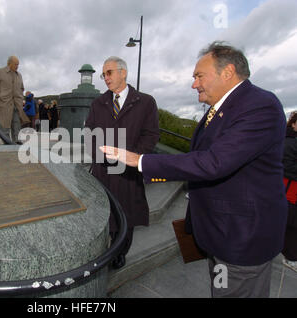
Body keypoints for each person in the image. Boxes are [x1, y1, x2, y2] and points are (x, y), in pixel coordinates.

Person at [100, 42, 288, 297]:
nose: (194, 84)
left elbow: (213, 162)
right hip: (219, 233)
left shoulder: (260, 106)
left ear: (228, 72)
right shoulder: (219, 109)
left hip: (241, 238)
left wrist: (140, 160)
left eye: (199, 76)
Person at [85, 56, 160, 269]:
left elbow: (151, 134)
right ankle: (105, 249)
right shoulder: (98, 103)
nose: (105, 78)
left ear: (123, 72)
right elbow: (89, 132)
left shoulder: (145, 102)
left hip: (129, 172)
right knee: (105, 213)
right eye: (103, 74)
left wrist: (132, 157)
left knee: (127, 214)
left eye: (109, 73)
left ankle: (120, 252)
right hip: (102, 170)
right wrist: (100, 154)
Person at [0, 56, 30, 143]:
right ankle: (6, 143)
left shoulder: (19, 75)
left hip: (17, 104)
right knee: (5, 125)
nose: (17, 66)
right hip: (5, 103)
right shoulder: (0, 71)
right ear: (9, 63)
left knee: (17, 124)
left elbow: (22, 88)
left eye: (18, 64)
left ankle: (17, 142)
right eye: (15, 64)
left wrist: (21, 97)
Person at [282, 112, 297, 272]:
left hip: (290, 192)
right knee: (291, 226)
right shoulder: (289, 143)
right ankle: (291, 257)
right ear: (293, 124)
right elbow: (286, 167)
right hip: (288, 191)